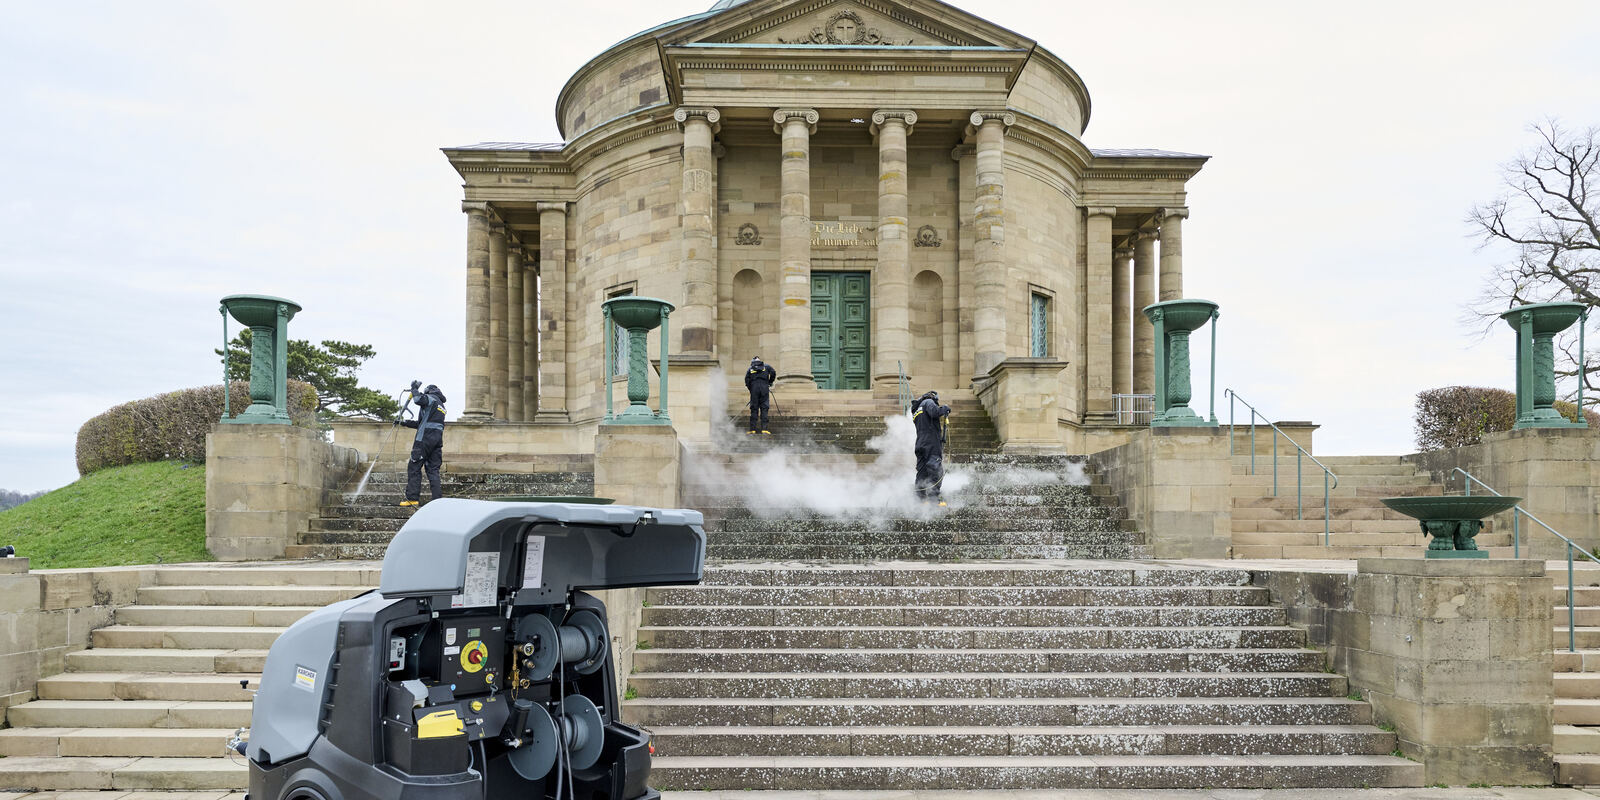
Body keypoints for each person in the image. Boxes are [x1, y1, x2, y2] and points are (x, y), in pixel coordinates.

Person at [399, 381, 447, 507]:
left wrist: (414, 389)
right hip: (436, 442)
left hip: (424, 440)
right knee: (433, 470)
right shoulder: (441, 406)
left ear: (428, 391)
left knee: (414, 467)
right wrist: (404, 423)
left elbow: (418, 399)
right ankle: (437, 500)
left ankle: (412, 498)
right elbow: (422, 423)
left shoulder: (430, 399)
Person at [911, 390, 952, 505]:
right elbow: (934, 412)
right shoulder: (928, 402)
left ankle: (920, 498)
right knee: (935, 468)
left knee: (922, 471)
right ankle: (934, 498)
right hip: (931, 442)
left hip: (920, 443)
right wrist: (945, 408)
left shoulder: (916, 409)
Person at [745, 356, 776, 434]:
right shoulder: (766, 366)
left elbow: (747, 380)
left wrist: (751, 389)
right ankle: (764, 429)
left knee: (754, 409)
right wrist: (769, 382)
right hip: (764, 389)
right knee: (764, 408)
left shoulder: (750, 369)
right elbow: (773, 372)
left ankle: (752, 429)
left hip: (754, 389)